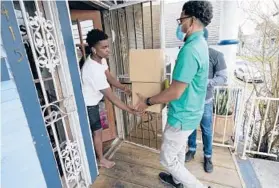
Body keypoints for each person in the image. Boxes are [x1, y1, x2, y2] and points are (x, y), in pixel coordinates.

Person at [135, 1, 213, 187]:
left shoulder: (190, 50)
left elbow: (176, 92)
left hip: (182, 116)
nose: (180, 24)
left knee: (167, 159)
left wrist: (148, 101)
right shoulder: (201, 43)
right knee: (177, 151)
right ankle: (178, 181)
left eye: (181, 18)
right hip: (191, 114)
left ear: (192, 20)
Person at [81, 29, 136, 169]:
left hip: (95, 99)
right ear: (94, 49)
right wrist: (131, 110)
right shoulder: (92, 70)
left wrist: (124, 88)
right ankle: (101, 159)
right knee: (97, 131)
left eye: (108, 46)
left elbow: (110, 77)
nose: (108, 50)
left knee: (97, 130)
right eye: (104, 47)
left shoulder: (101, 60)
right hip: (89, 104)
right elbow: (113, 99)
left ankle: (100, 157)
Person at [185, 28, 228, 173]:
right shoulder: (190, 54)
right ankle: (191, 150)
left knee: (207, 130)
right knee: (190, 127)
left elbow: (223, 78)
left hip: (206, 101)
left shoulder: (216, 55)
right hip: (190, 101)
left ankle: (208, 157)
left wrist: (205, 82)